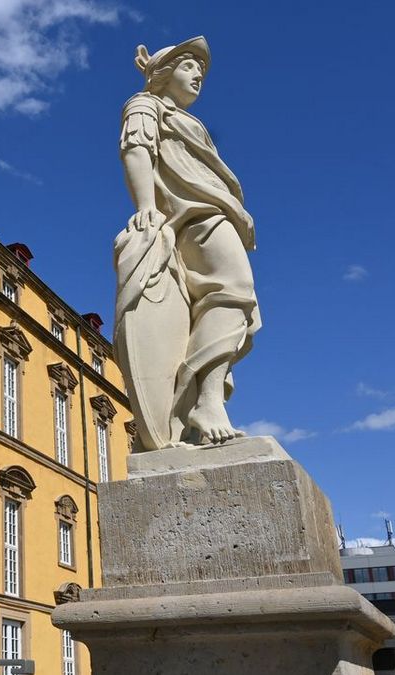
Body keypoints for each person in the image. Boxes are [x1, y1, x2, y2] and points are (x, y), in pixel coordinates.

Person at [116, 36, 260, 449]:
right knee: (234, 291)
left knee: (228, 307)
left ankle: (196, 409)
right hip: (195, 219)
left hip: (214, 215)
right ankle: (208, 402)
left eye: (202, 69)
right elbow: (136, 150)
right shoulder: (145, 105)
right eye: (189, 65)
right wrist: (146, 206)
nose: (198, 75)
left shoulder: (187, 120)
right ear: (164, 73)